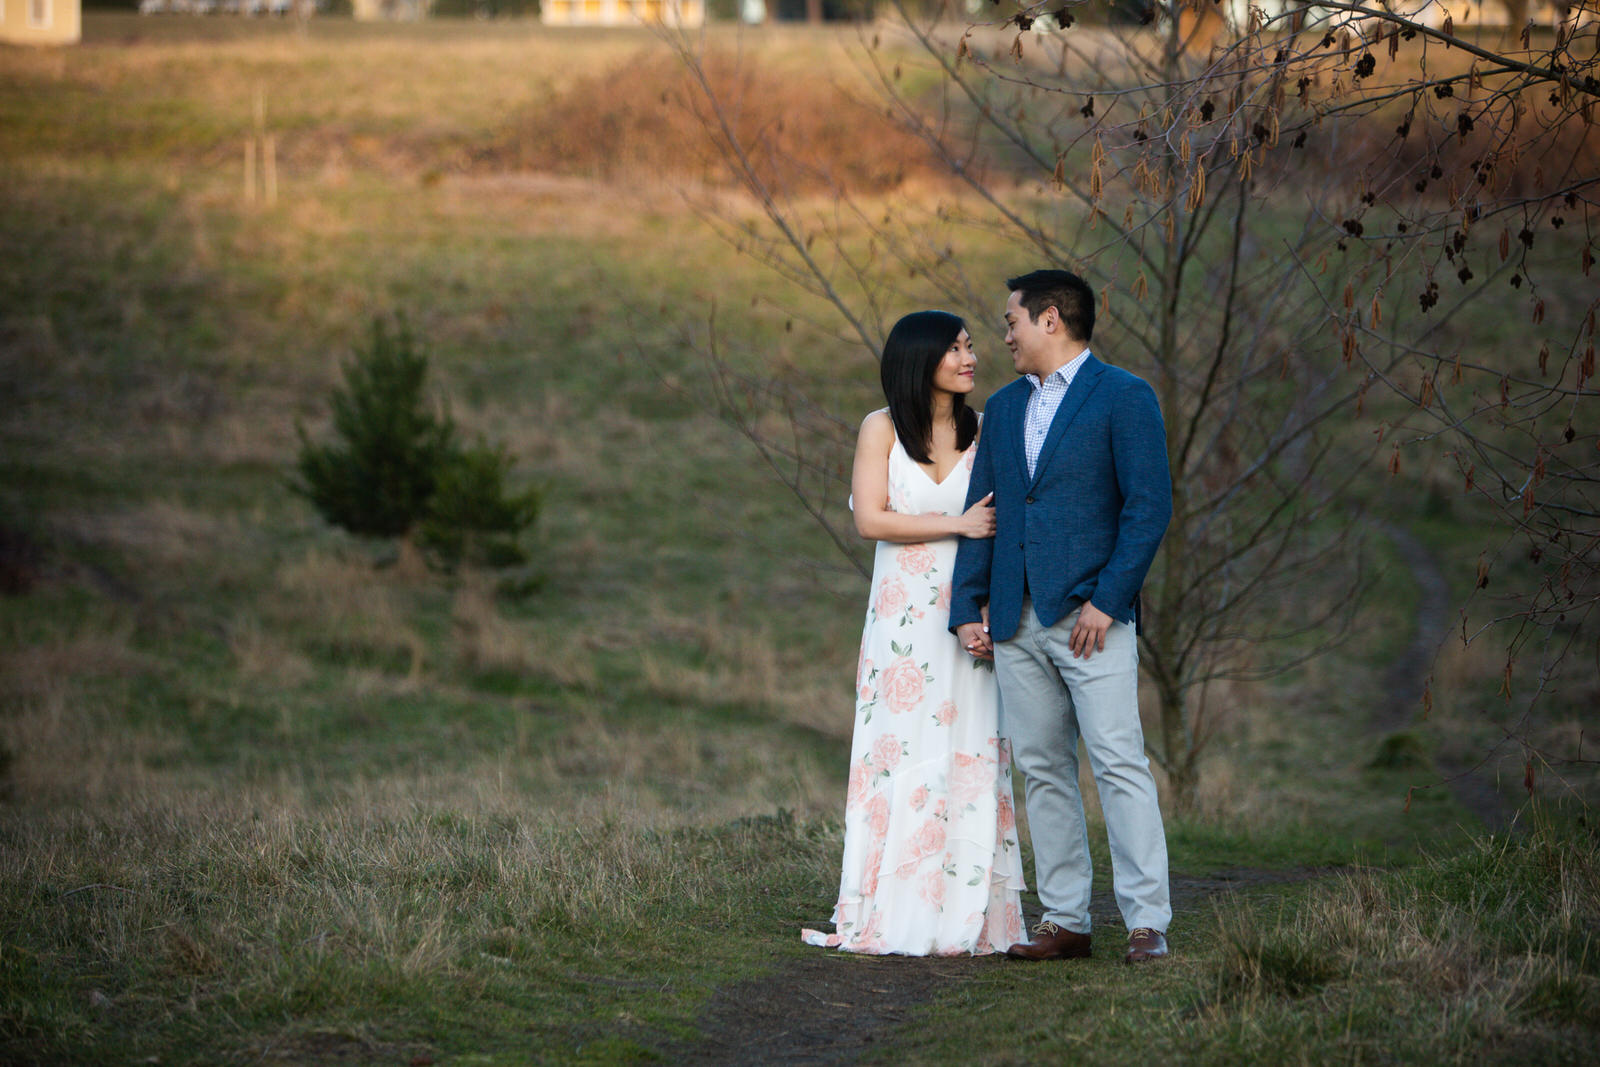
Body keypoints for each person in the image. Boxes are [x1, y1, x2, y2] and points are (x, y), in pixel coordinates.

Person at [950, 269, 1174, 965]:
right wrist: (968, 606)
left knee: (1118, 763)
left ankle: (1146, 921)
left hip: (1091, 618)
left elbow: (1148, 508)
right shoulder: (1005, 406)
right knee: (1043, 767)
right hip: (1015, 619)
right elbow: (985, 513)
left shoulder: (1126, 397)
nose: (1004, 334)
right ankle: (1066, 919)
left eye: (1011, 320)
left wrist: (1109, 600)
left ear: (1052, 319)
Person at [801, 310, 1026, 956]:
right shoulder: (880, 428)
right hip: (901, 618)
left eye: (970, 345)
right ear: (919, 358)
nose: (970, 355)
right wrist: (957, 525)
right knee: (897, 746)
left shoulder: (983, 430)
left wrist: (984, 609)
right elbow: (871, 520)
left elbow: (1002, 526)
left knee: (971, 742)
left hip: (964, 611)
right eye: (954, 347)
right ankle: (889, 903)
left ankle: (967, 908)